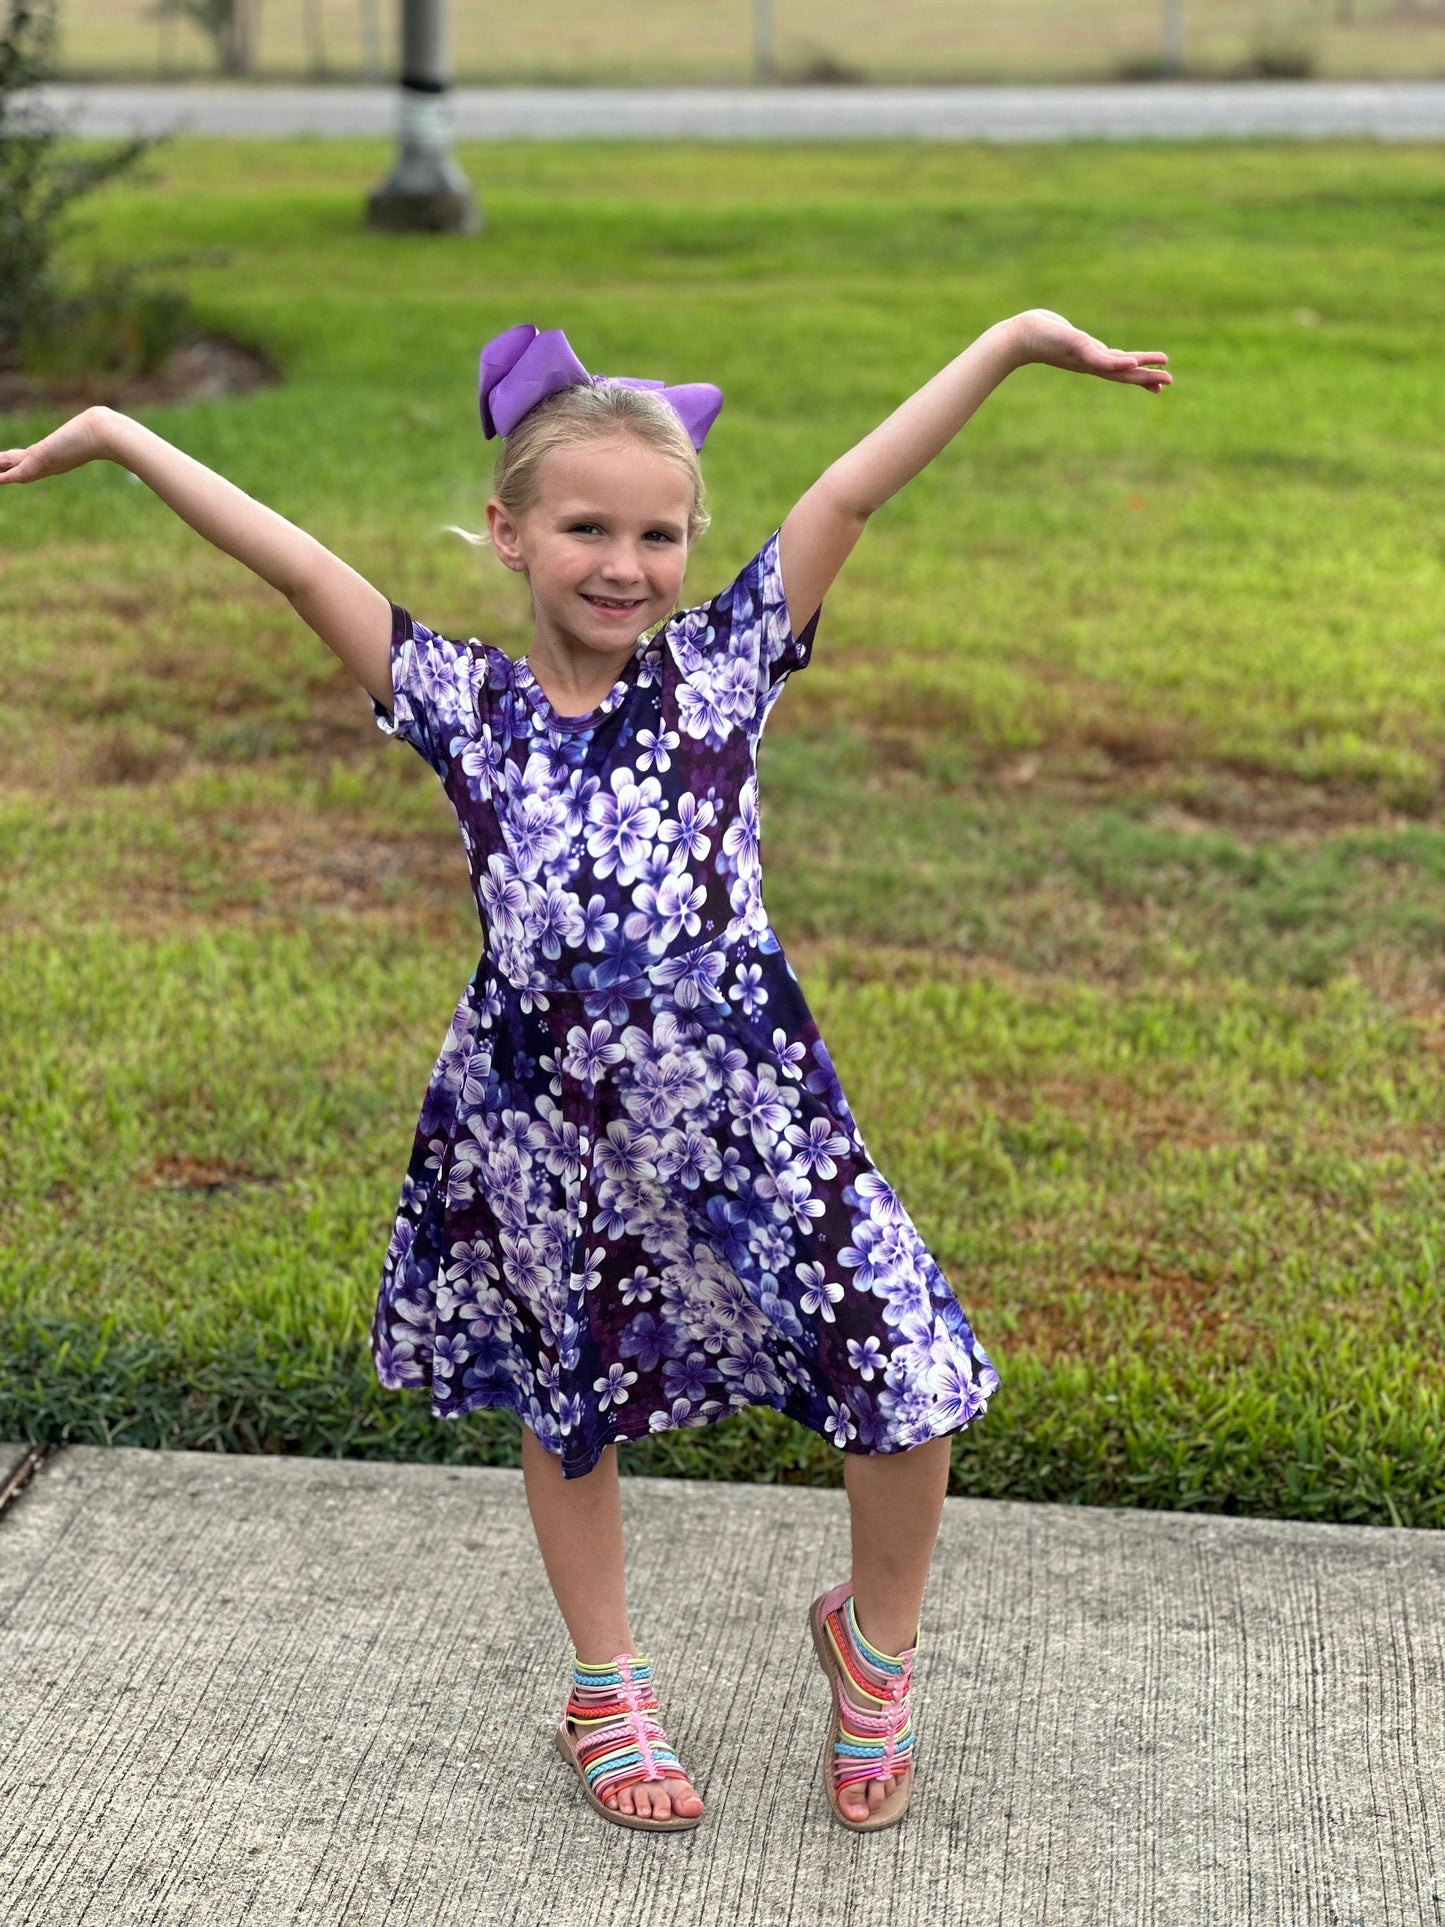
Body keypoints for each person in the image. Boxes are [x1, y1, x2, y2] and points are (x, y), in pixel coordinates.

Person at [0, 310, 1169, 1835]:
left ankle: (874, 1653)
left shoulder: (722, 668)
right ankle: (604, 1689)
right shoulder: (457, 698)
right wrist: (114, 434)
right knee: (572, 1399)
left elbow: (851, 491)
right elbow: (290, 563)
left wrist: (1010, 343)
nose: (626, 564)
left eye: (658, 534)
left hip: (752, 1110)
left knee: (900, 1370)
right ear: (510, 534)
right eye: (586, 530)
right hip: (546, 1121)